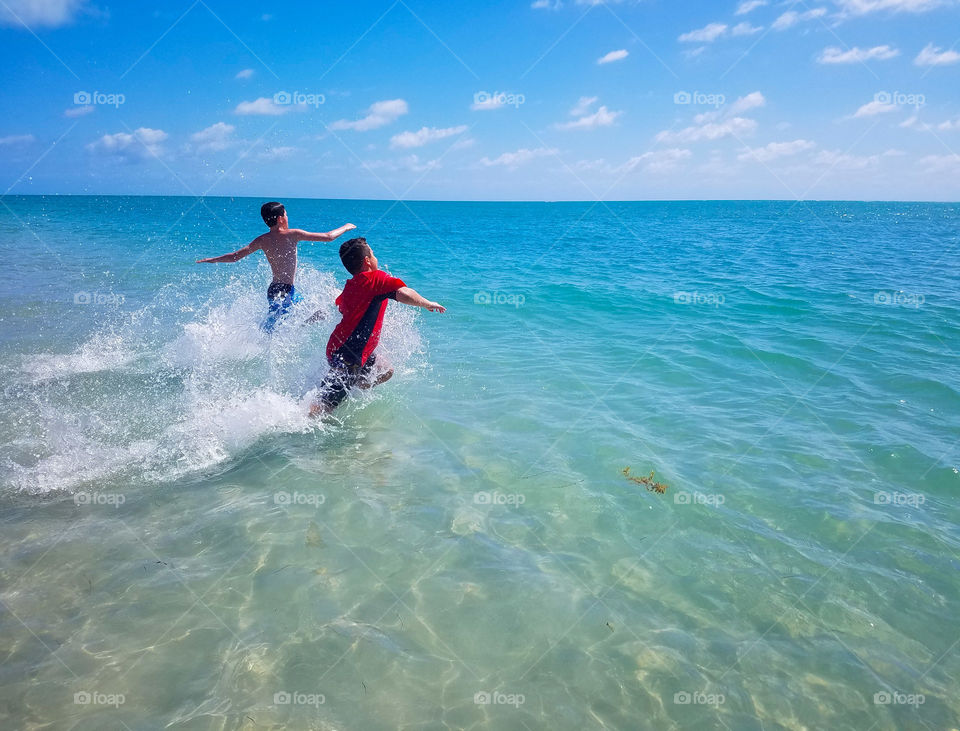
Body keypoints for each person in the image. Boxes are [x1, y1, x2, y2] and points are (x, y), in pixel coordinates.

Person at [310, 237, 445, 417]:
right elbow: (404, 293)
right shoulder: (375, 279)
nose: (375, 257)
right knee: (323, 409)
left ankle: (351, 388)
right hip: (349, 356)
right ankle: (294, 428)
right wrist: (427, 303)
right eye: (373, 254)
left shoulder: (352, 285)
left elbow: (341, 308)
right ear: (367, 261)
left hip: (342, 348)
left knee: (386, 370)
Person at [196, 201, 356, 331]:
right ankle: (255, 345)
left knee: (305, 316)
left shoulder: (262, 240)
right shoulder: (293, 234)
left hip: (275, 290)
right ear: (280, 218)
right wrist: (346, 227)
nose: (287, 217)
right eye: (286, 214)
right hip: (284, 292)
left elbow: (234, 257)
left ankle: (259, 339)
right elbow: (328, 237)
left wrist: (213, 259)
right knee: (279, 327)